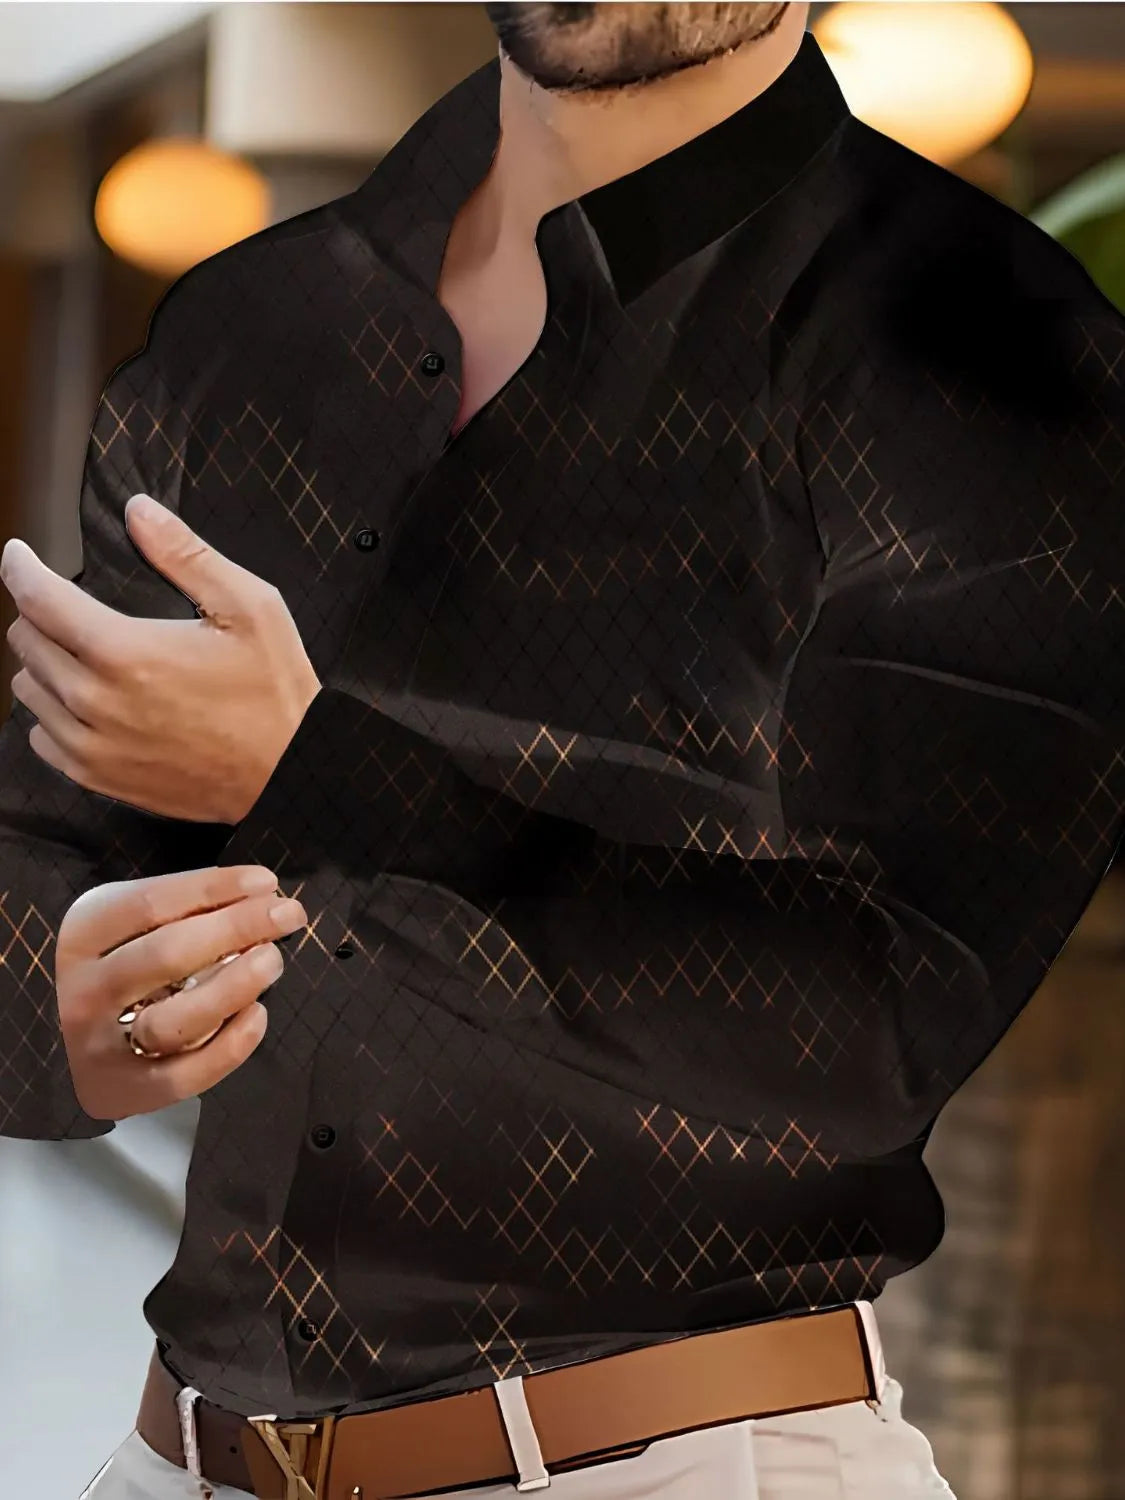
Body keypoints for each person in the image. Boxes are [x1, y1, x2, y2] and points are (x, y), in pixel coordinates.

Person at [2, 2, 1123, 1496]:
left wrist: (326, 774)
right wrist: (63, 1014)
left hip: (664, 1463)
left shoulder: (986, 348)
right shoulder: (249, 328)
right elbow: (46, 851)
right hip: (183, 1457)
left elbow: (880, 1020)